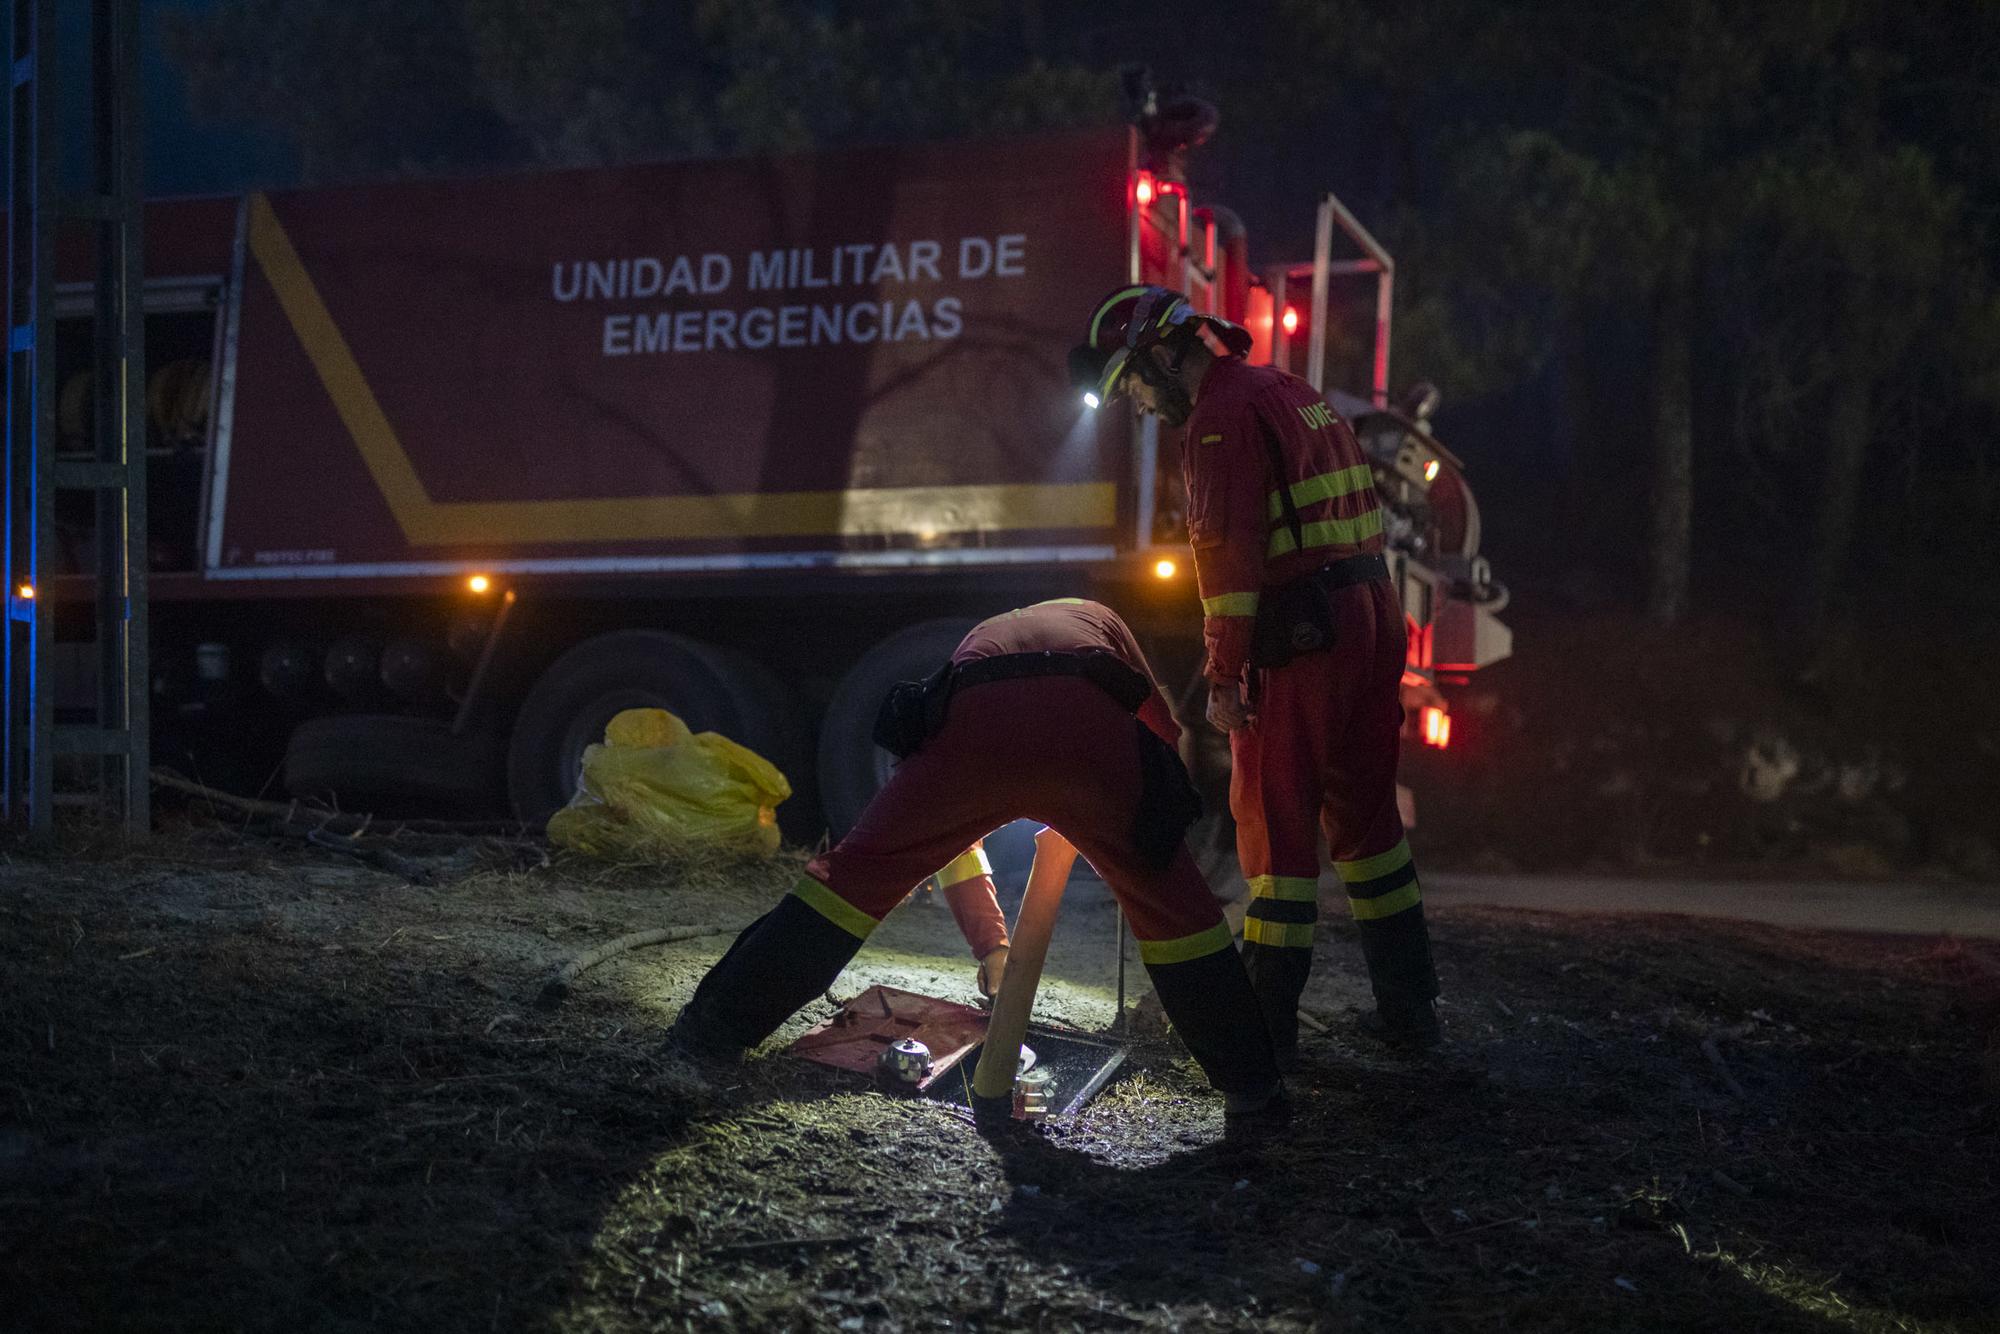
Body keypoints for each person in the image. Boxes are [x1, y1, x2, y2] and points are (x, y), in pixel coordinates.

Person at [665, 597, 1286, 1124]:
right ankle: (1252, 1091)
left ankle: (709, 1032)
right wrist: (1149, 835)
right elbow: (1160, 729)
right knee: (1179, 917)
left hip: (977, 719)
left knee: (849, 882)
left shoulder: (978, 645)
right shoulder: (1100, 618)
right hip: (1087, 723)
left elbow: (952, 843)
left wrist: (991, 946)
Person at [1069, 286, 1441, 1066]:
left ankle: (1262, 1032)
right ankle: (1411, 1014)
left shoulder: (1218, 422)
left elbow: (1228, 559)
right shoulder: (1291, 390)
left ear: (1162, 354)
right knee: (1369, 826)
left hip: (1304, 635)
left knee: (1273, 824)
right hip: (1371, 615)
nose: (1140, 407)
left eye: (1134, 386)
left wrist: (1225, 675)